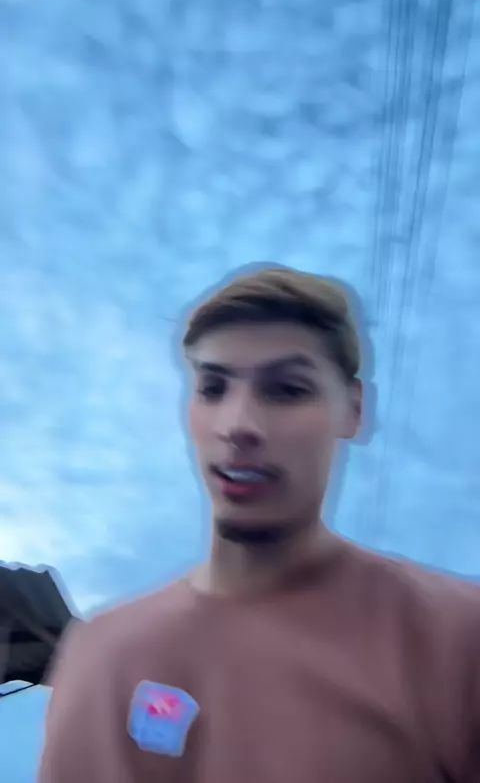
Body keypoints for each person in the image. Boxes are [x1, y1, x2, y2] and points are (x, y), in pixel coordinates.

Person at [38, 266, 480, 783]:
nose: (238, 425)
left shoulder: (453, 638)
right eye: (213, 388)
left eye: (287, 390)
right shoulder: (100, 653)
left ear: (354, 410)